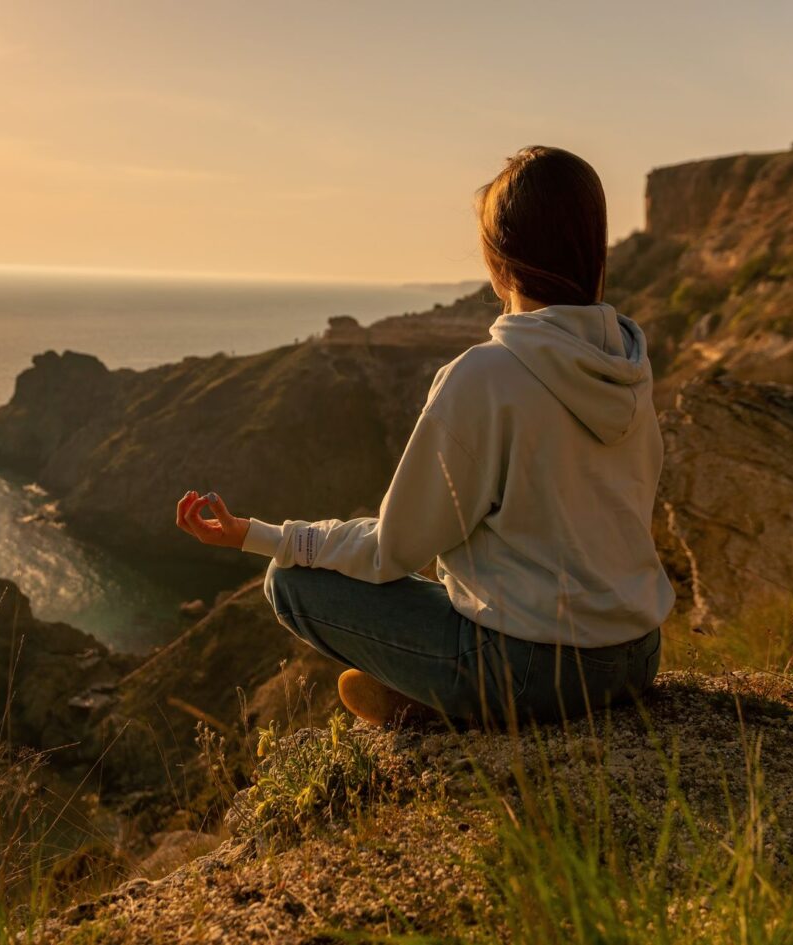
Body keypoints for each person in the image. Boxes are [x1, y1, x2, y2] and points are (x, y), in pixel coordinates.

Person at [174, 146, 674, 728]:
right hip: (637, 657)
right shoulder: (627, 367)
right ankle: (435, 694)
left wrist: (257, 536)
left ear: (499, 259)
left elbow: (394, 550)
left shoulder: (486, 376)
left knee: (289, 583)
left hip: (537, 676)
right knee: (454, 594)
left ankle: (440, 702)